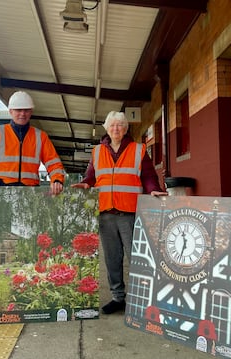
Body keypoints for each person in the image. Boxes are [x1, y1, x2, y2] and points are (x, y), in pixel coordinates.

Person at [71, 111, 167, 314]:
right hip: (105, 213)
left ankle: (145, 298)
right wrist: (85, 184)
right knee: (112, 258)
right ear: (107, 128)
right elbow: (91, 177)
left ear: (125, 129)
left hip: (129, 213)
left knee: (137, 258)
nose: (116, 129)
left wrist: (153, 189)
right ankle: (118, 298)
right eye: (113, 125)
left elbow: (149, 176)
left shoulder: (139, 150)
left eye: (120, 125)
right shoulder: (97, 152)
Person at [0, 91, 65, 212]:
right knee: (1, 230)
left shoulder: (40, 136)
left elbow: (54, 164)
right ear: (10, 111)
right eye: (18, 110)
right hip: (0, 192)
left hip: (29, 194)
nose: (22, 113)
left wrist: (57, 180)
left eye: (26, 110)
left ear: (31, 112)